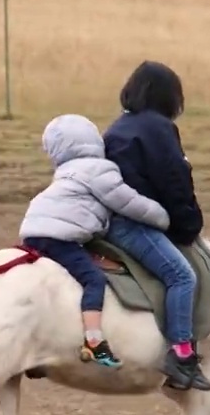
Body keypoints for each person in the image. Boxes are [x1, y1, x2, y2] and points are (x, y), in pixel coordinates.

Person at [19, 113, 172, 368]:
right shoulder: (100, 171)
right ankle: (94, 340)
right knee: (93, 279)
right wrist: (162, 216)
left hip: (34, 232)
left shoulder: (65, 172)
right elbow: (127, 201)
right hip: (60, 238)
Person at [102, 60, 210, 391]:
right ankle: (181, 354)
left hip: (109, 218)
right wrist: (188, 224)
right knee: (182, 275)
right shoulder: (159, 129)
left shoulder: (117, 127)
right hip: (134, 225)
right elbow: (174, 181)